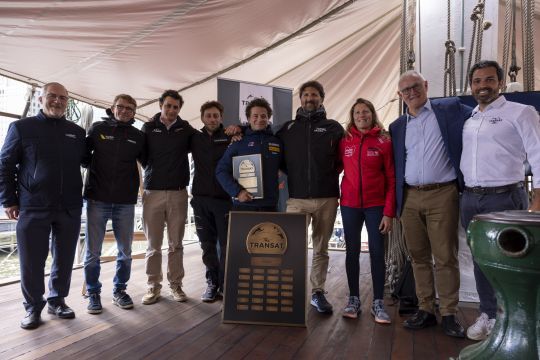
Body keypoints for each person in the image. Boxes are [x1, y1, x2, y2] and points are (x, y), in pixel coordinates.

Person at [460, 60, 540, 341]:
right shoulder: (471, 119)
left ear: (501, 83)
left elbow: (538, 153)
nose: (483, 86)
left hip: (505, 196)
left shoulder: (521, 112)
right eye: (478, 81)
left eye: (489, 80)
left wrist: (538, 199)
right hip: (470, 198)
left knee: (509, 261)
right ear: (471, 86)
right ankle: (489, 314)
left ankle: (514, 322)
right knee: (481, 258)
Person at [389, 70, 471, 338]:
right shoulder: (398, 126)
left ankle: (448, 313)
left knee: (445, 257)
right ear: (400, 95)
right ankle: (425, 309)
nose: (411, 93)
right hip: (410, 197)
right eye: (405, 90)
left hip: (443, 194)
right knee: (418, 257)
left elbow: (481, 118)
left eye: (415, 86)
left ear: (425, 85)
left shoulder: (449, 109)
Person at [0, 82, 86, 329]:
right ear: (40, 98)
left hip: (69, 206)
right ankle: (32, 307)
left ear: (67, 101)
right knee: (31, 261)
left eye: (62, 98)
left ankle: (57, 300)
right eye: (52, 96)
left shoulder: (77, 132)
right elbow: (4, 166)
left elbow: (90, 161)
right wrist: (9, 200)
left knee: (65, 258)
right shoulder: (21, 128)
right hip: (33, 206)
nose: (57, 101)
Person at [276, 81, 343, 314]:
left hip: (327, 198)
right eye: (305, 94)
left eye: (314, 94)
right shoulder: (287, 129)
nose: (309, 98)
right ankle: (290, 291)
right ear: (300, 98)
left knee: (321, 249)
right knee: (289, 247)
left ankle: (317, 292)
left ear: (321, 98)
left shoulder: (334, 127)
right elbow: (278, 159)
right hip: (297, 199)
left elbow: (342, 160)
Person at [82, 94, 145, 314]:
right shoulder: (97, 129)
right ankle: (93, 293)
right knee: (92, 252)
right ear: (112, 108)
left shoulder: (138, 136)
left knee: (125, 251)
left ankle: (119, 290)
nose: (125, 111)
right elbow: (83, 157)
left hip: (125, 202)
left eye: (130, 108)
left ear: (134, 113)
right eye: (121, 107)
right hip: (97, 199)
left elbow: (148, 163)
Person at [339, 98, 395, 322]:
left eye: (365, 112)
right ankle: (353, 299)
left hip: (376, 206)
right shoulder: (345, 141)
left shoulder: (384, 141)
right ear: (352, 117)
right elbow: (333, 168)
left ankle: (378, 302)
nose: (361, 116)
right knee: (351, 252)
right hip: (350, 205)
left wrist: (388, 212)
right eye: (357, 113)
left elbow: (391, 177)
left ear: (372, 114)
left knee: (376, 252)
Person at [140, 90, 196, 305]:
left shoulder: (186, 129)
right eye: (168, 106)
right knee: (153, 245)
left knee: (176, 244)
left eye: (176, 107)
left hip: (178, 193)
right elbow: (142, 156)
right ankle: (153, 286)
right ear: (161, 105)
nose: (172, 110)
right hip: (152, 192)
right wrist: (154, 171)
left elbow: (202, 142)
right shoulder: (148, 127)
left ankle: (176, 285)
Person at [190, 101, 232, 302]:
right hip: (200, 200)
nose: (213, 119)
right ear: (202, 118)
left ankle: (224, 285)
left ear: (221, 118)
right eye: (209, 115)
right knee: (207, 245)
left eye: (216, 115)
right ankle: (212, 283)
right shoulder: (194, 138)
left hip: (224, 200)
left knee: (225, 246)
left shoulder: (231, 136)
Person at [216, 97, 282, 212]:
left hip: (270, 206)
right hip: (243, 205)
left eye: (263, 116)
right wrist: (237, 192)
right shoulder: (238, 141)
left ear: (268, 118)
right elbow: (221, 170)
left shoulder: (277, 142)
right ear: (248, 118)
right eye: (255, 116)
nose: (259, 119)